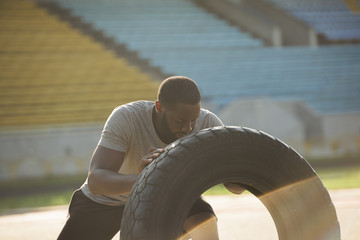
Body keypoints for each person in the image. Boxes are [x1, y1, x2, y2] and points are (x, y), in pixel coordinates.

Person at [57, 76, 224, 240]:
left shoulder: (207, 123)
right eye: (179, 121)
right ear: (159, 107)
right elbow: (96, 181)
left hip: (164, 196)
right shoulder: (127, 117)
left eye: (193, 121)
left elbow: (237, 185)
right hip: (107, 201)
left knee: (205, 223)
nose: (187, 129)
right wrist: (147, 179)